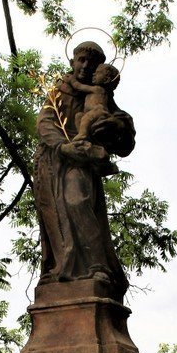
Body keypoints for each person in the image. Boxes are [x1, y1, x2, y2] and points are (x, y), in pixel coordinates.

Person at [33, 41, 135, 296]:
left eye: (92, 62)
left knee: (78, 201)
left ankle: (97, 265)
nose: (86, 65)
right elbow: (45, 123)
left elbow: (125, 135)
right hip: (55, 163)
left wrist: (114, 129)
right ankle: (64, 269)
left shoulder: (101, 94)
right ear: (72, 62)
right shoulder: (59, 91)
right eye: (81, 60)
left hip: (82, 162)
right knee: (57, 216)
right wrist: (62, 146)